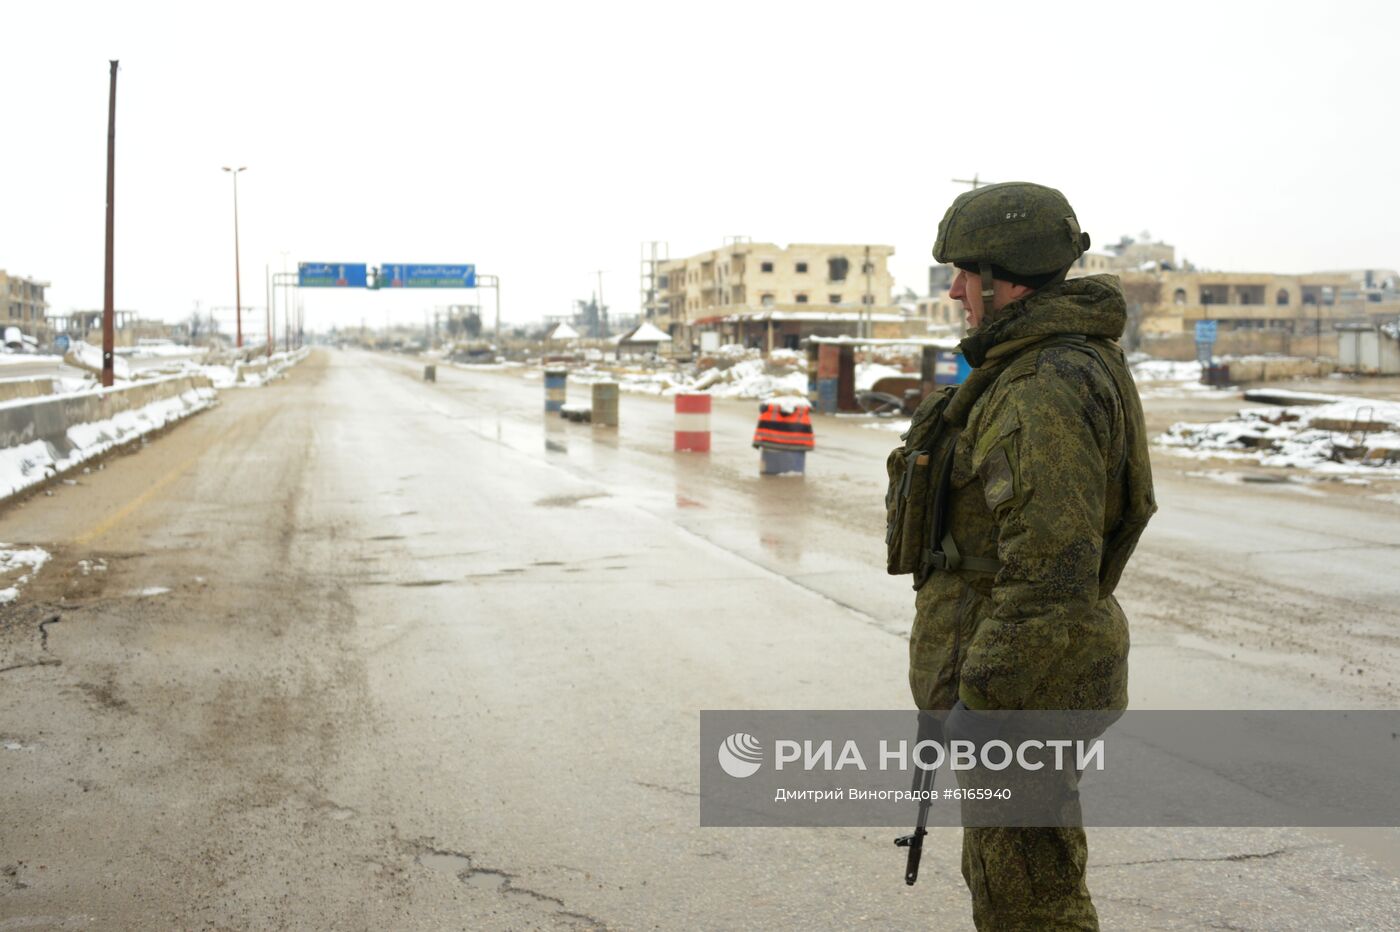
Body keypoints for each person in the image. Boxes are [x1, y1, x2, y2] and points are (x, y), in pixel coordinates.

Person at [905, 182, 1156, 930]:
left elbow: (1050, 568)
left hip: (1021, 689)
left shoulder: (1043, 383)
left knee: (1032, 901)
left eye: (964, 272)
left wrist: (985, 699)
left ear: (1005, 276)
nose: (954, 290)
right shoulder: (1032, 365)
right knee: (1011, 880)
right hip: (1017, 681)